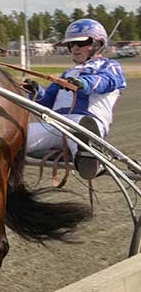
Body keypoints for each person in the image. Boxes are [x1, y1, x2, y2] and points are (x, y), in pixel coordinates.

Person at [23, 18, 126, 178]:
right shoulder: (68, 73)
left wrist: (83, 83)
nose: (75, 48)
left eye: (81, 43)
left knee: (80, 126)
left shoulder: (109, 65)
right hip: (57, 125)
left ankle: (93, 160)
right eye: (71, 44)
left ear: (97, 43)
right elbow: (47, 102)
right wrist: (36, 92)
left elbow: (108, 81)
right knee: (18, 135)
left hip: (86, 124)